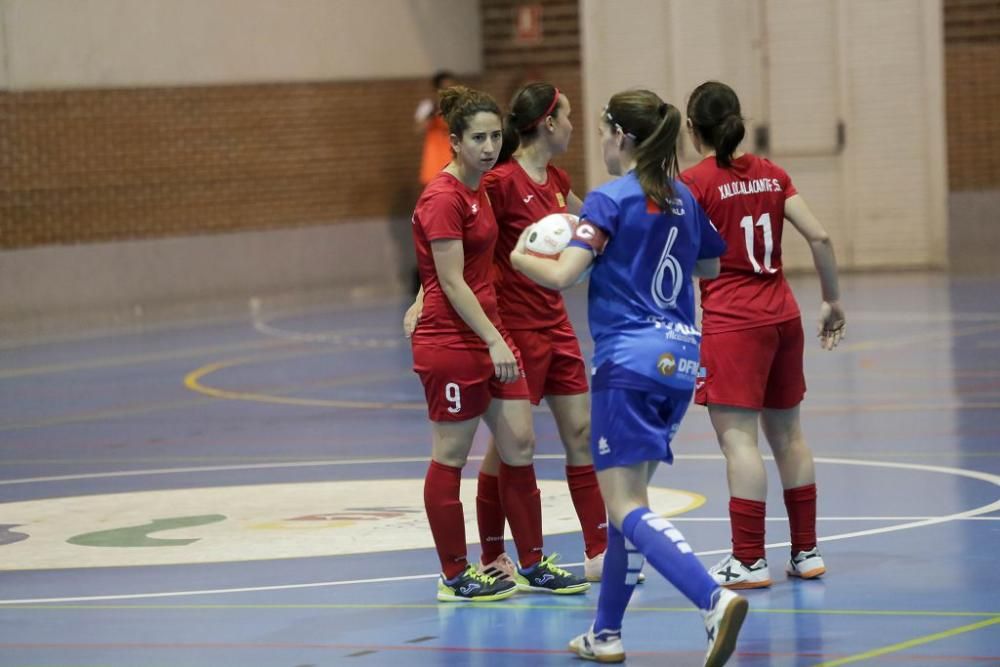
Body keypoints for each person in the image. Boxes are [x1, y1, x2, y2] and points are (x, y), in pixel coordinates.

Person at [511, 88, 748, 666]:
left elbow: (566, 272)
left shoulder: (609, 199)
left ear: (621, 137)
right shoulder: (683, 199)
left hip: (629, 362)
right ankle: (606, 633)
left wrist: (520, 255)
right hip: (680, 362)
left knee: (624, 508)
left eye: (601, 130)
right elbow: (710, 264)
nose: (599, 141)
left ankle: (712, 598)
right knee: (628, 498)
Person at [407, 82, 611, 584]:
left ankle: (539, 560)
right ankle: (466, 568)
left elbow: (456, 262)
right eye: (478, 137)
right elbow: (447, 272)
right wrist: (424, 300)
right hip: (479, 334)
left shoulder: (493, 186)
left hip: (517, 329)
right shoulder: (474, 189)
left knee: (524, 441)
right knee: (466, 452)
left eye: (495, 136)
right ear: (455, 140)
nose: (489, 146)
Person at [680, 81, 846, 590]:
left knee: (740, 444)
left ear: (692, 129)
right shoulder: (772, 174)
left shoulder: (694, 183)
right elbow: (819, 235)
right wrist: (832, 300)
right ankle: (806, 551)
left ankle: (749, 559)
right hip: (782, 317)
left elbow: (683, 263)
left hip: (733, 324)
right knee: (790, 437)